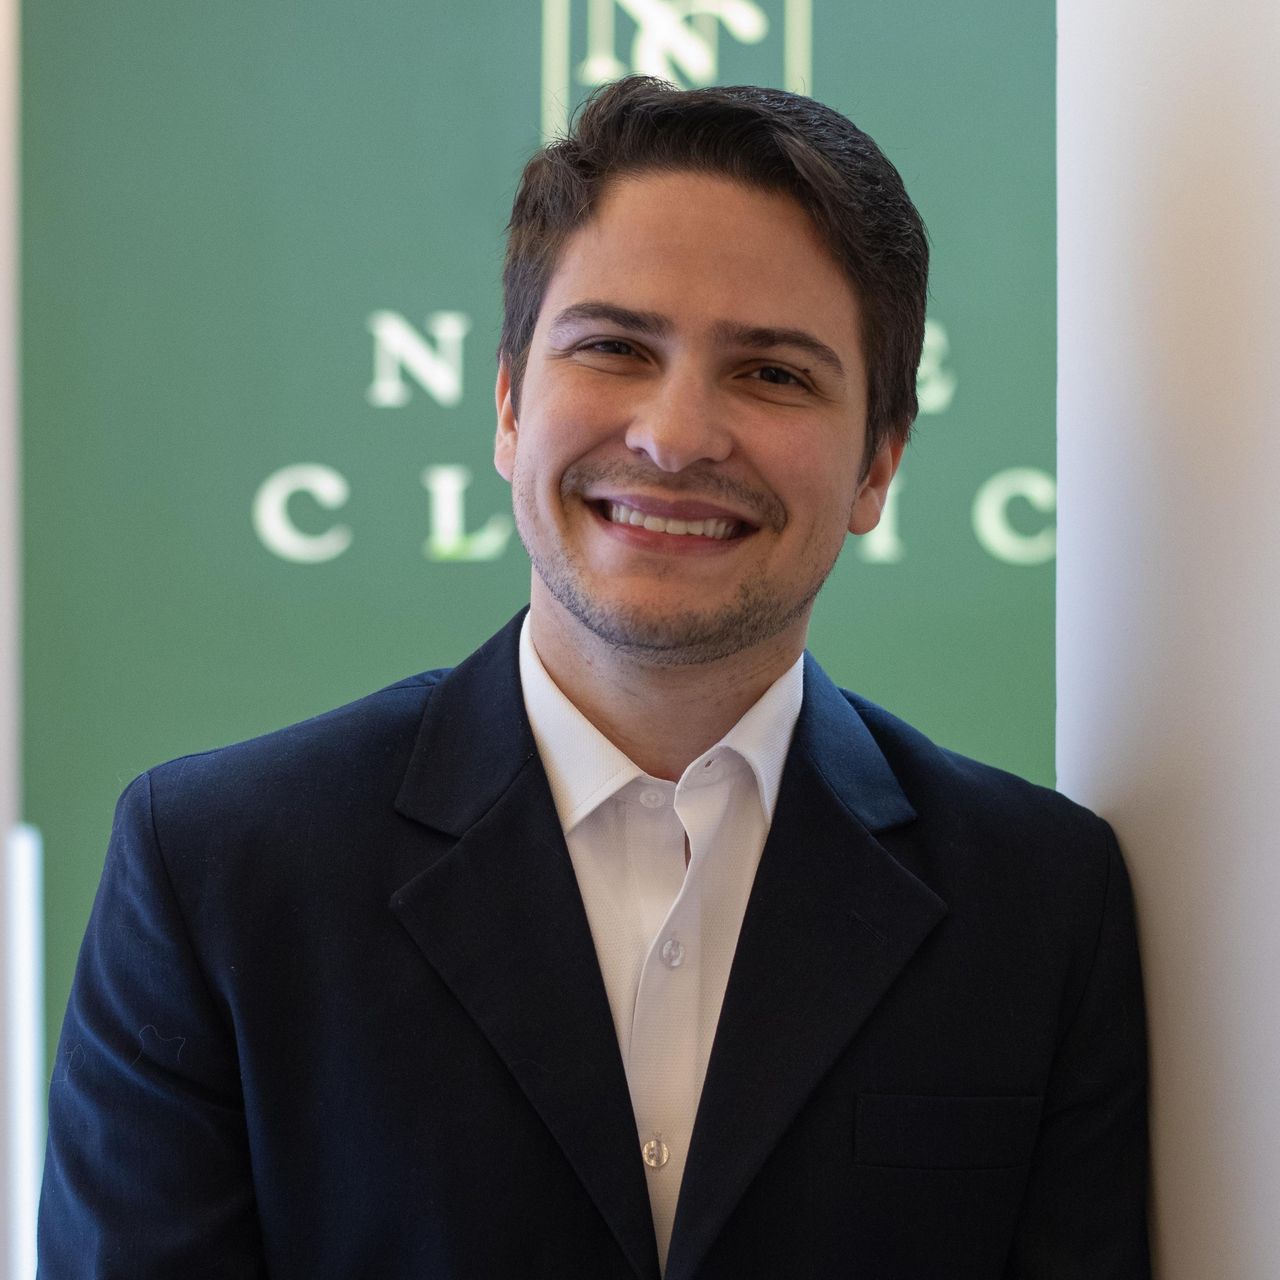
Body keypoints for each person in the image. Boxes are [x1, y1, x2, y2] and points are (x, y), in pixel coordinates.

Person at [38, 77, 1150, 1279]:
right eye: (615, 347)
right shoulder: (219, 868)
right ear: (508, 405)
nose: (675, 436)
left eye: (773, 373)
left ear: (877, 463)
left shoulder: (1038, 901)